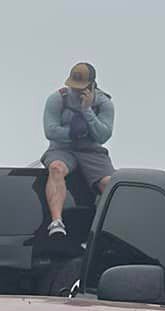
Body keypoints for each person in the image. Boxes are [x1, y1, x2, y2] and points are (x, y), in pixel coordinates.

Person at [43, 62, 115, 238]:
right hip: (62, 149)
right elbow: (50, 131)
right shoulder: (57, 99)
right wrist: (72, 133)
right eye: (73, 87)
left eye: (80, 88)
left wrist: (87, 111)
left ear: (91, 85)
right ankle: (56, 222)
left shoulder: (104, 103)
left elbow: (103, 135)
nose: (76, 91)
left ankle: (107, 226)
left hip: (91, 152)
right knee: (56, 168)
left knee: (110, 183)